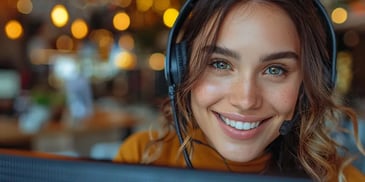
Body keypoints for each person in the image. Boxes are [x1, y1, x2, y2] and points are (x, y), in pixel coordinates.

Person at [114, 0, 365, 181]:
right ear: (180, 70)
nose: (246, 100)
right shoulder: (141, 157)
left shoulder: (342, 179)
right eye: (220, 64)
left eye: (275, 70)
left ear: (307, 85)